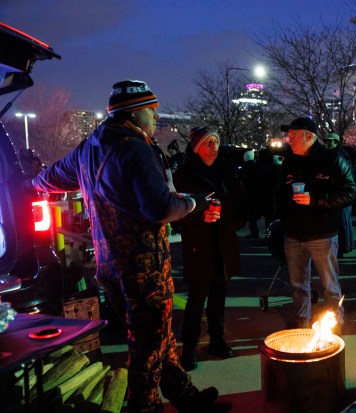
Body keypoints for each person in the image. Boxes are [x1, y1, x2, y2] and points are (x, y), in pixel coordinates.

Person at [32, 80, 218, 413]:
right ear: (134, 112)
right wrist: (193, 203)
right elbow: (160, 207)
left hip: (110, 266)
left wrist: (29, 182)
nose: (156, 115)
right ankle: (144, 407)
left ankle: (187, 398)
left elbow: (53, 177)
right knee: (147, 346)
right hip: (144, 266)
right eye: (151, 109)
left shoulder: (90, 147)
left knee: (157, 338)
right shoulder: (135, 148)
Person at [173, 129, 249, 371]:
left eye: (216, 141)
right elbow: (176, 214)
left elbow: (241, 204)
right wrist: (199, 218)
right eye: (208, 142)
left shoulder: (227, 172)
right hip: (199, 244)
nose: (214, 145)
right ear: (196, 148)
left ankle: (217, 340)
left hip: (223, 242)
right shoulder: (184, 175)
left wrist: (232, 223)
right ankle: (190, 347)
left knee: (219, 294)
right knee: (197, 297)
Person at [277, 118, 355, 334]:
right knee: (298, 283)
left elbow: (349, 193)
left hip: (322, 232)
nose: (289, 139)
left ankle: (334, 320)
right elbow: (280, 193)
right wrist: (283, 217)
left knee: (329, 284)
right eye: (288, 135)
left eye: (293, 136)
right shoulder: (289, 161)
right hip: (293, 233)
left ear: (309, 137)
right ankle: (302, 317)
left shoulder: (332, 160)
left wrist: (316, 199)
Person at [324, 132, 355, 257]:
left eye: (330, 141)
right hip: (344, 192)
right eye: (327, 140)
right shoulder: (343, 155)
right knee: (345, 220)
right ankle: (346, 245)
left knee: (342, 221)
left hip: (341, 192)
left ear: (336, 142)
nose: (327, 143)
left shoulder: (338, 156)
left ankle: (342, 248)